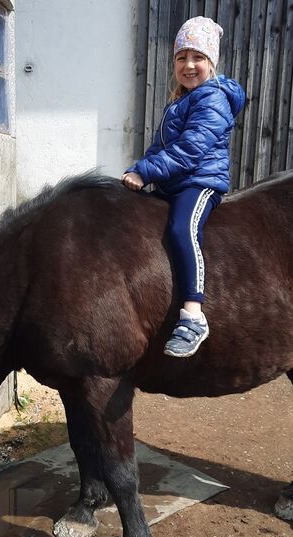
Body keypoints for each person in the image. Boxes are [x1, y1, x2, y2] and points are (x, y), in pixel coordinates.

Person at [122, 16, 246, 357]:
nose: (189, 65)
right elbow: (160, 147)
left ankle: (193, 314)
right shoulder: (179, 101)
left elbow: (190, 151)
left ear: (211, 63)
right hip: (173, 180)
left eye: (198, 58)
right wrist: (138, 167)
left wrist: (147, 172)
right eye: (181, 58)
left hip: (199, 180)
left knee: (181, 229)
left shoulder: (214, 99)